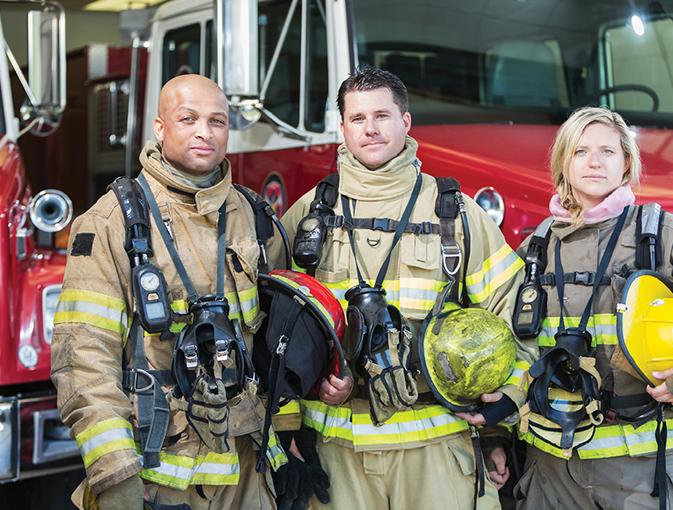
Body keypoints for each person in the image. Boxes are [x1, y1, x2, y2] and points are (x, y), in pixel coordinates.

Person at [280, 66, 525, 510]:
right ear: (342, 128)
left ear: (406, 121)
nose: (370, 129)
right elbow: (273, 330)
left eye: (382, 116)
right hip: (336, 451)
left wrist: (495, 425)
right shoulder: (308, 215)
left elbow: (511, 316)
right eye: (357, 118)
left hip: (436, 448)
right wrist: (289, 428)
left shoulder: (455, 213)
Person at [512, 106, 673, 509]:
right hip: (550, 475)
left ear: (626, 163)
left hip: (645, 473)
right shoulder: (537, 249)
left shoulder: (660, 236)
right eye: (581, 151)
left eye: (607, 151)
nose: (594, 162)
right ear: (563, 162)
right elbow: (510, 346)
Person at [51, 74, 294, 510]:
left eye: (217, 121)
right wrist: (115, 474)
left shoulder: (255, 217)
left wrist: (294, 439)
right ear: (160, 129)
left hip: (250, 470)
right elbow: (84, 358)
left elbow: (283, 341)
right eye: (188, 119)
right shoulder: (111, 223)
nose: (205, 132)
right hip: (159, 475)